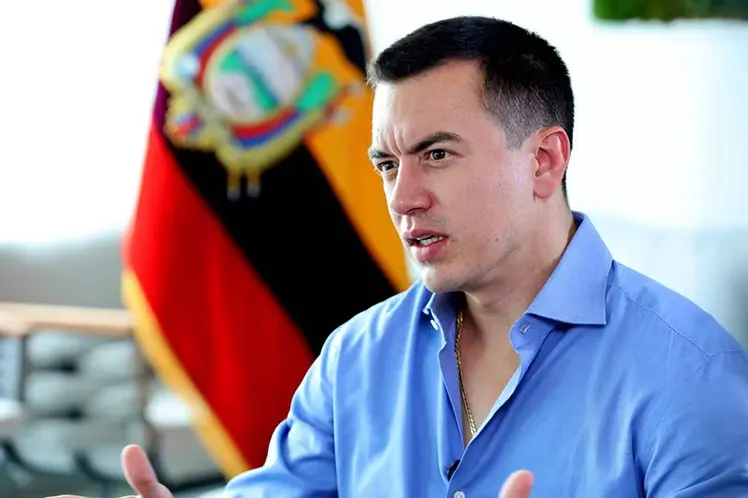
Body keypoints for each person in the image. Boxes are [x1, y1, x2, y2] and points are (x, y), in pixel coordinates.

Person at [53, 15, 748, 498]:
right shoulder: (355, 357)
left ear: (544, 161)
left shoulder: (691, 376)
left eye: (436, 155)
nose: (402, 197)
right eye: (387, 164)